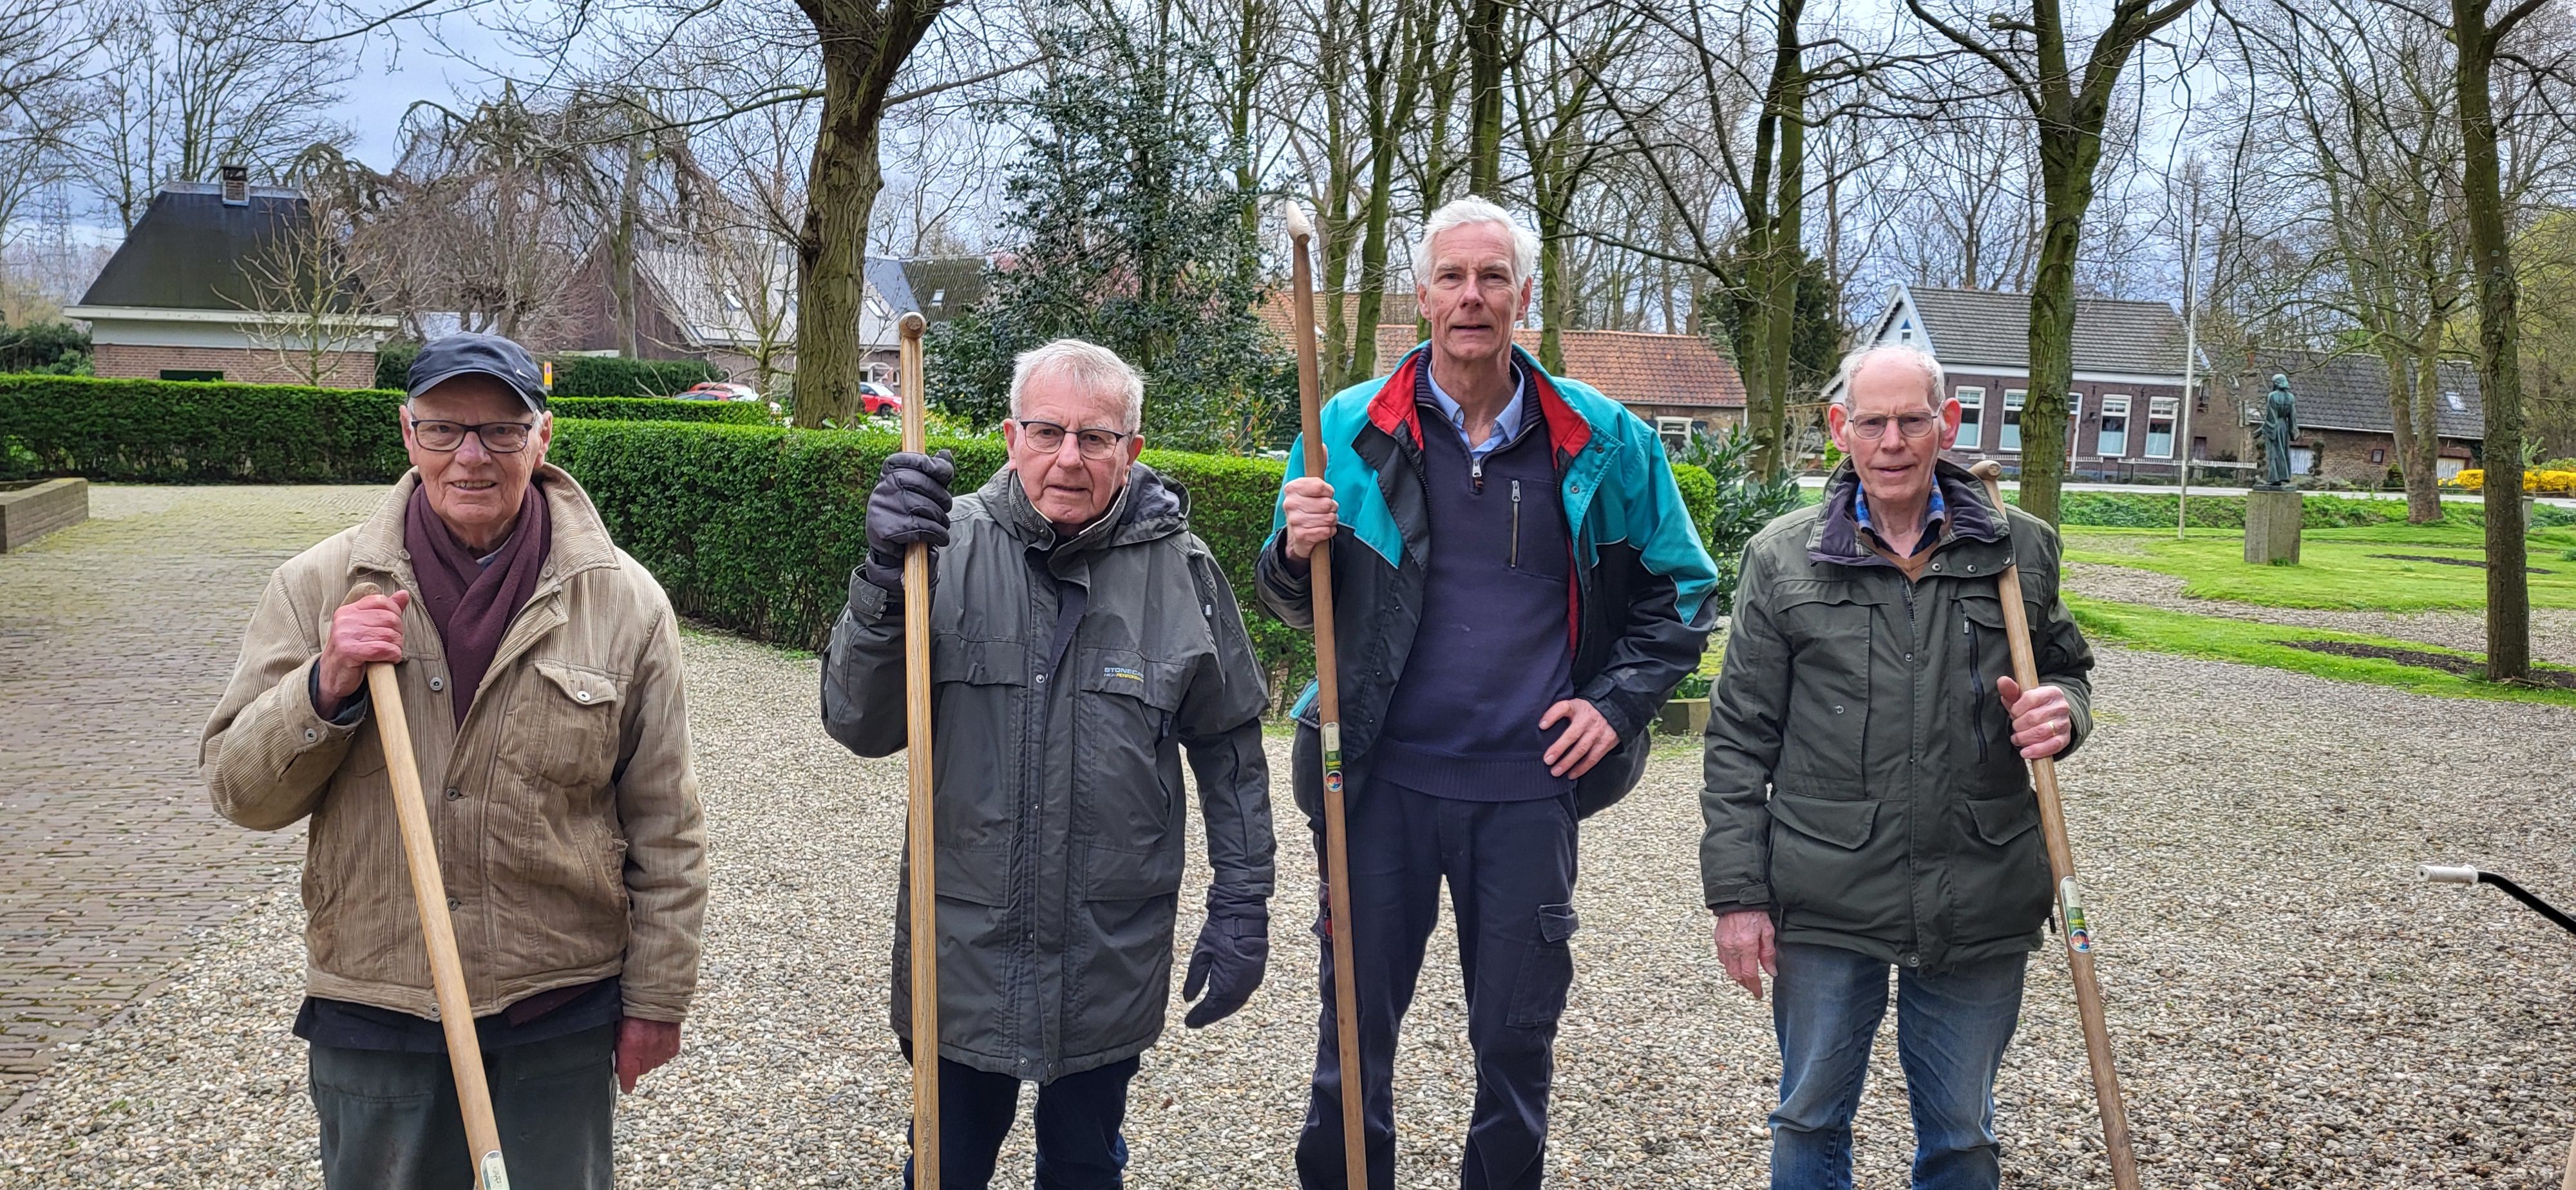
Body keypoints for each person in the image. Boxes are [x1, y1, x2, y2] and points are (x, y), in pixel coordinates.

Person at [1260, 196, 1719, 1189]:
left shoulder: (1599, 438)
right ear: (1421, 295)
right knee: (1350, 1045)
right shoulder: (1346, 425)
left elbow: (1685, 590)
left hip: (1526, 792)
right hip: (1377, 783)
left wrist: (1616, 703)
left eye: (1494, 277)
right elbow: (1296, 601)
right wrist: (1296, 549)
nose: (1473, 297)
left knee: (1516, 1048)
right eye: (1454, 278)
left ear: (1524, 300)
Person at [201, 332, 708, 1188]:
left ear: (542, 437)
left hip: (556, 1007)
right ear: (408, 435)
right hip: (379, 1008)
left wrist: (657, 1000)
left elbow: (666, 821)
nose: (471, 456)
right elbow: (238, 791)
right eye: (444, 429)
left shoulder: (624, 602)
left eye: (501, 431)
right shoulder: (319, 585)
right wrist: (323, 687)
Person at [822, 338, 1275, 1190]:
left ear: (1132, 451)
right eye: (1047, 431)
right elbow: (857, 721)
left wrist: (1243, 903)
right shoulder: (937, 549)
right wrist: (884, 578)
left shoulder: (1182, 571)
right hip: (961, 948)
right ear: (1010, 436)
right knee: (946, 1166)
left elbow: (1233, 751)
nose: (1068, 457)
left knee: (1083, 1164)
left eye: (1096, 438)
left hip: (1107, 952)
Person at [1699, 343, 2097, 1190]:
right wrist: (1738, 898)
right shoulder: (1783, 560)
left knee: (1961, 1136)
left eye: (1911, 420)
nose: (1891, 441)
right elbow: (1739, 739)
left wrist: (2062, 713)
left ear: (1946, 425)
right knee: (1809, 1120)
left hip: (1980, 881)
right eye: (1871, 422)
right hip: (1825, 890)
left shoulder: (2017, 549)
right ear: (1840, 431)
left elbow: (2066, 670)